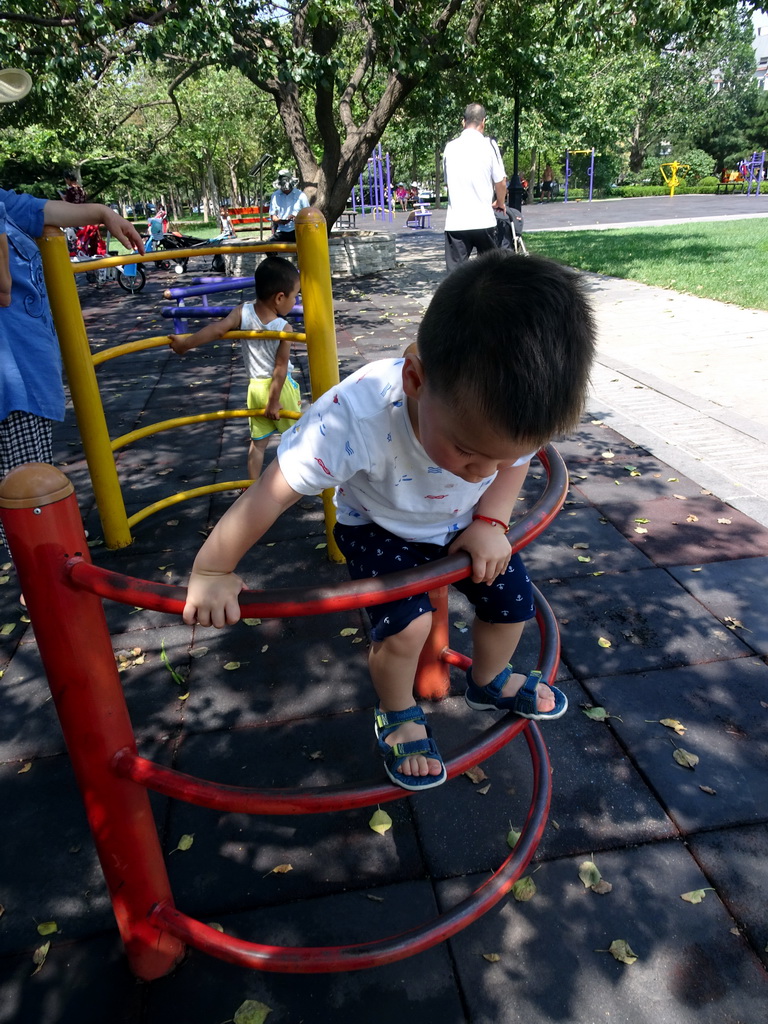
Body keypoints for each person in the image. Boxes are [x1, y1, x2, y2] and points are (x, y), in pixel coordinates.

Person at [180, 251, 596, 792]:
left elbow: (512, 463)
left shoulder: (502, 422)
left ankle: (488, 679)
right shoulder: (354, 418)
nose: (484, 469)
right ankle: (397, 712)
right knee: (408, 628)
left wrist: (491, 518)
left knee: (512, 596)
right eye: (470, 452)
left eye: (501, 456)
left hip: (459, 523)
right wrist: (212, 568)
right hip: (378, 526)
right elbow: (271, 492)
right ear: (416, 380)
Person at [0, 191, 144, 556]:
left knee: (32, 484)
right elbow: (3, 288)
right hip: (10, 379)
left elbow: (43, 210)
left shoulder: (3, 202)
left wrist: (104, 212)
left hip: (27, 367)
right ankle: (43, 584)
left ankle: (40, 574)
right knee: (27, 495)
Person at [169, 256, 301, 481]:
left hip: (255, 390)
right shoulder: (284, 328)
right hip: (280, 391)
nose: (295, 300)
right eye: (295, 295)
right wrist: (274, 400)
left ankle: (250, 486)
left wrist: (185, 343)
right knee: (296, 441)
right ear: (279, 297)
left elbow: (218, 330)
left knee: (258, 445)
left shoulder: (243, 311)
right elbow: (280, 367)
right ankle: (294, 484)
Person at [442, 102, 507, 272]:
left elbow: (448, 182)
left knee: (454, 279)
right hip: (483, 220)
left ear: (463, 122)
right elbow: (501, 182)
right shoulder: (489, 146)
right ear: (483, 122)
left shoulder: (450, 148)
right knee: (491, 274)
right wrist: (500, 202)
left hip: (456, 222)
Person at [268, 170, 309, 243]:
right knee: (268, 245)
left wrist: (296, 217)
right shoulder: (275, 196)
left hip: (298, 230)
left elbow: (308, 214)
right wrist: (280, 221)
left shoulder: (301, 195)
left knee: (305, 244)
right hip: (281, 231)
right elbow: (273, 216)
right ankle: (274, 255)